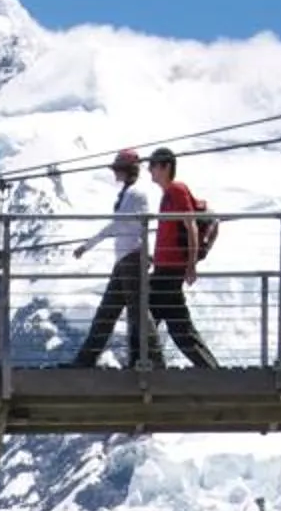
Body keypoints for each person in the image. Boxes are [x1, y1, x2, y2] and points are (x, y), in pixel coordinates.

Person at [70, 148, 162, 366]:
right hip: (126, 260)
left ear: (127, 170)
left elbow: (121, 225)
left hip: (131, 259)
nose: (115, 173)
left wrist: (87, 245)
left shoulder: (134, 194)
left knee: (133, 313)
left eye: (118, 169)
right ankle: (85, 361)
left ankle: (155, 361)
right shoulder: (129, 194)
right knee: (111, 312)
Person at [145, 146, 219, 367]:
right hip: (165, 267)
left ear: (166, 166)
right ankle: (212, 371)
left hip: (170, 269)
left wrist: (191, 266)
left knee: (146, 315)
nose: (149, 170)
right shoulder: (167, 195)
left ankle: (146, 368)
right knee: (178, 327)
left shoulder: (177, 190)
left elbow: (191, 226)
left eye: (153, 166)